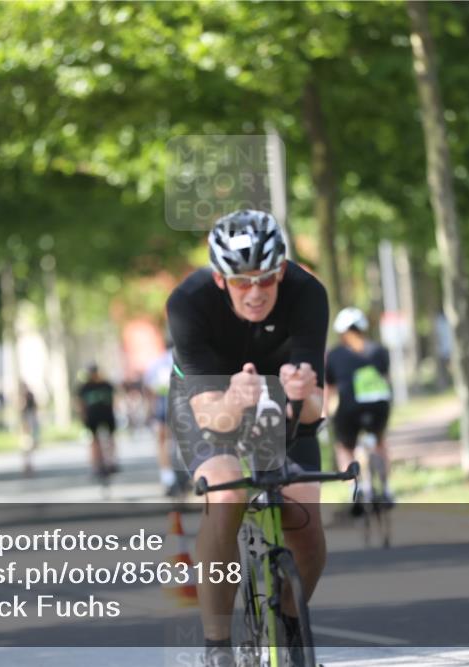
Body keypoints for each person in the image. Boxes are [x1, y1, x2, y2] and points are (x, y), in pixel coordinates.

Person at [166, 209, 328, 667]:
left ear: (281, 272)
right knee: (227, 493)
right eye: (241, 282)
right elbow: (212, 417)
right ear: (220, 279)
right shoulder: (188, 304)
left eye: (266, 280)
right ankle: (217, 644)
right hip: (211, 400)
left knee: (306, 516)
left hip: (280, 399)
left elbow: (315, 409)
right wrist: (235, 401)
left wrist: (303, 394)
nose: (255, 293)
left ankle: (291, 625)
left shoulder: (308, 293)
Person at [325, 307, 394, 505]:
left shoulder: (334, 355)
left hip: (349, 410)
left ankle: (355, 489)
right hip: (378, 408)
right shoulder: (379, 351)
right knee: (380, 442)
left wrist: (325, 414)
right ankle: (386, 488)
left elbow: (330, 389)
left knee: (344, 447)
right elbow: (386, 381)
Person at [144, 334, 183, 497]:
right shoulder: (184, 359)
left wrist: (149, 411)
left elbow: (149, 388)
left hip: (163, 406)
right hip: (182, 406)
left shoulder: (157, 363)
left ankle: (167, 476)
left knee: (161, 441)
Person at [76, 364, 118, 478]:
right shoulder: (85, 387)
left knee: (110, 439)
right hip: (92, 416)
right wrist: (82, 415)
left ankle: (110, 461)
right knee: (94, 441)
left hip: (107, 415)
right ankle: (97, 464)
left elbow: (115, 398)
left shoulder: (106, 385)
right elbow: (80, 403)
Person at [20, 383, 40, 476]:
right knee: (26, 448)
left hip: (31, 425)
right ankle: (27, 466)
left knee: (29, 448)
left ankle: (29, 466)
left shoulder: (30, 408)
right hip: (26, 428)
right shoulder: (22, 403)